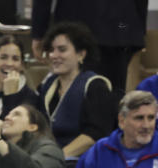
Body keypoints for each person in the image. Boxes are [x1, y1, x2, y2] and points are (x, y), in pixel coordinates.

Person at [31, 0, 146, 97]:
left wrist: (39, 32)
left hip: (76, 25)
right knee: (112, 99)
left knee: (75, 100)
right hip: (119, 29)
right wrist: (139, 28)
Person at [37, 21, 115, 159]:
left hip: (81, 161)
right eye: (51, 50)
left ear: (81, 54)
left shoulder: (95, 85)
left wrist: (58, 157)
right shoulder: (48, 86)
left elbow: (95, 134)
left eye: (62, 49)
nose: (54, 55)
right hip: (49, 157)